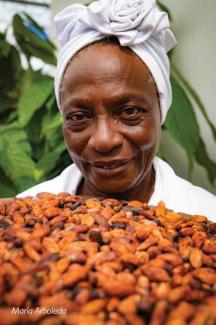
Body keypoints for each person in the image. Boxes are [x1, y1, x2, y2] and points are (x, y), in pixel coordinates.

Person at [18, 0, 216, 221]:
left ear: (160, 111)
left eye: (129, 112)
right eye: (79, 117)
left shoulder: (207, 217)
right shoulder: (21, 214)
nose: (104, 140)